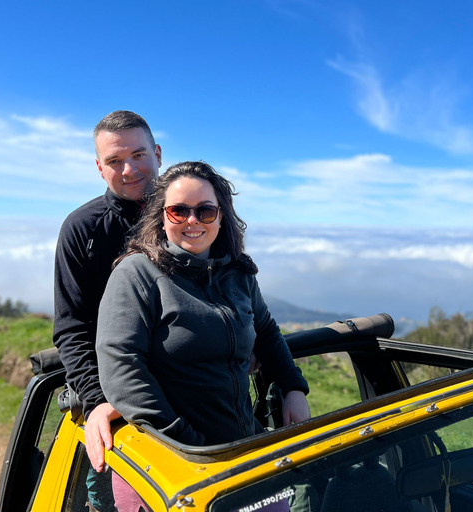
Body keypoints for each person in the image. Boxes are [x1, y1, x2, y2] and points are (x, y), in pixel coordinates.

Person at [96, 161, 311, 448]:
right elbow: (123, 371)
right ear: (161, 217)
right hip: (178, 462)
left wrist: (293, 387)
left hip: (244, 446)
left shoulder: (237, 273)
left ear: (221, 218)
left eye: (206, 211)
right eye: (179, 210)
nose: (192, 220)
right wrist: (189, 444)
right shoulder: (137, 274)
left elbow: (267, 331)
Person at [53, 110, 162, 474]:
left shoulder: (191, 216)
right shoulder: (82, 229)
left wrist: (284, 377)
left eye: (139, 155)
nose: (129, 170)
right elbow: (71, 328)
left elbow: (236, 294)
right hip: (114, 407)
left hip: (192, 389)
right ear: (100, 168)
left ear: (158, 154)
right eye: (114, 161)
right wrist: (101, 403)